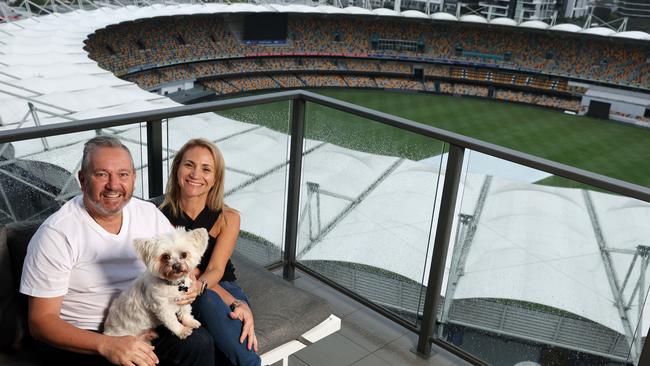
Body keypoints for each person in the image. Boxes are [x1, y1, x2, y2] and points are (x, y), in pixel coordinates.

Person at [19, 135, 215, 366]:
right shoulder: (56, 234)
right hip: (89, 338)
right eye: (101, 174)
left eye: (123, 174)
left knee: (199, 343)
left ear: (133, 179)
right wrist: (107, 344)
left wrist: (223, 299)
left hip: (144, 318)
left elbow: (183, 261)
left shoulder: (148, 213)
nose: (113, 184)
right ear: (82, 180)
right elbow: (41, 322)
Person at [159, 138, 261, 366]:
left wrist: (234, 301)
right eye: (189, 165)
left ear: (215, 179)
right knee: (203, 309)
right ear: (177, 169)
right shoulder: (159, 216)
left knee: (206, 302)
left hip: (223, 288)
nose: (196, 174)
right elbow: (184, 272)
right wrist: (231, 302)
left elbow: (216, 269)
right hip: (181, 290)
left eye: (206, 169)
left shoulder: (229, 218)